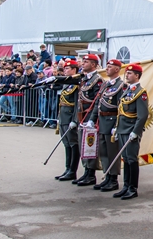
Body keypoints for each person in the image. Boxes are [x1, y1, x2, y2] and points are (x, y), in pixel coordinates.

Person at [112, 64, 151, 200]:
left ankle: (132, 188)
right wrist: (117, 128)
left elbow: (143, 115)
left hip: (131, 130)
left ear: (137, 75)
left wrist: (136, 131)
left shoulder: (140, 92)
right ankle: (126, 186)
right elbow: (121, 111)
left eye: (129, 73)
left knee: (132, 159)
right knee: (126, 159)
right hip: (123, 129)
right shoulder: (127, 90)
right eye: (126, 73)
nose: (126, 75)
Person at [91, 59, 126, 192]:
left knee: (112, 152)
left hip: (111, 122)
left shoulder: (121, 86)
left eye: (110, 67)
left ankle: (113, 179)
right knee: (104, 152)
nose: (107, 69)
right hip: (102, 121)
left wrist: (117, 125)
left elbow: (121, 108)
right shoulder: (105, 84)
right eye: (107, 66)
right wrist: (92, 119)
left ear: (117, 69)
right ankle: (107, 175)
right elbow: (98, 103)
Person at [74, 54, 103, 186]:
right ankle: (86, 171)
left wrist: (92, 119)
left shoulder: (97, 80)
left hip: (90, 115)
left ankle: (91, 174)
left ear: (93, 64)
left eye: (86, 62)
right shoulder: (85, 79)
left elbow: (97, 101)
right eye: (83, 61)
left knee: (89, 145)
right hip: (82, 115)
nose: (83, 64)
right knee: (83, 145)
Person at [54, 60, 81, 181]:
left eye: (67, 68)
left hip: (70, 117)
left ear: (74, 70)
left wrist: (75, 120)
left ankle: (72, 170)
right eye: (64, 68)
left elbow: (77, 104)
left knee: (73, 143)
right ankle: (67, 168)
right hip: (63, 116)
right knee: (66, 144)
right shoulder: (67, 83)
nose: (65, 71)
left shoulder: (76, 84)